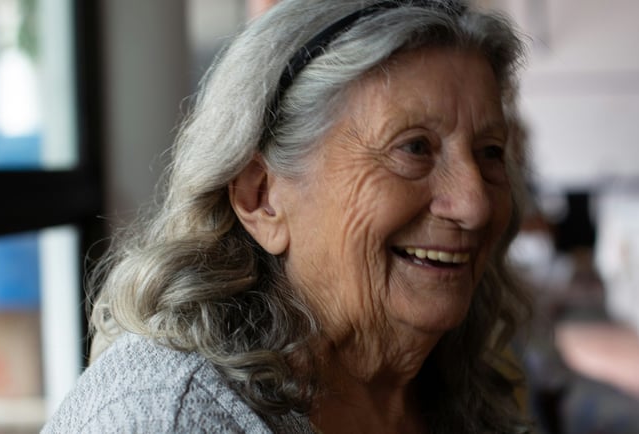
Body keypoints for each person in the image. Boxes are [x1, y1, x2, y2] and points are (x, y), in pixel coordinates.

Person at [43, 0, 533, 433]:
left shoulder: (460, 385)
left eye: (490, 152)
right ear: (261, 198)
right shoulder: (168, 417)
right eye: (414, 148)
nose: (475, 204)